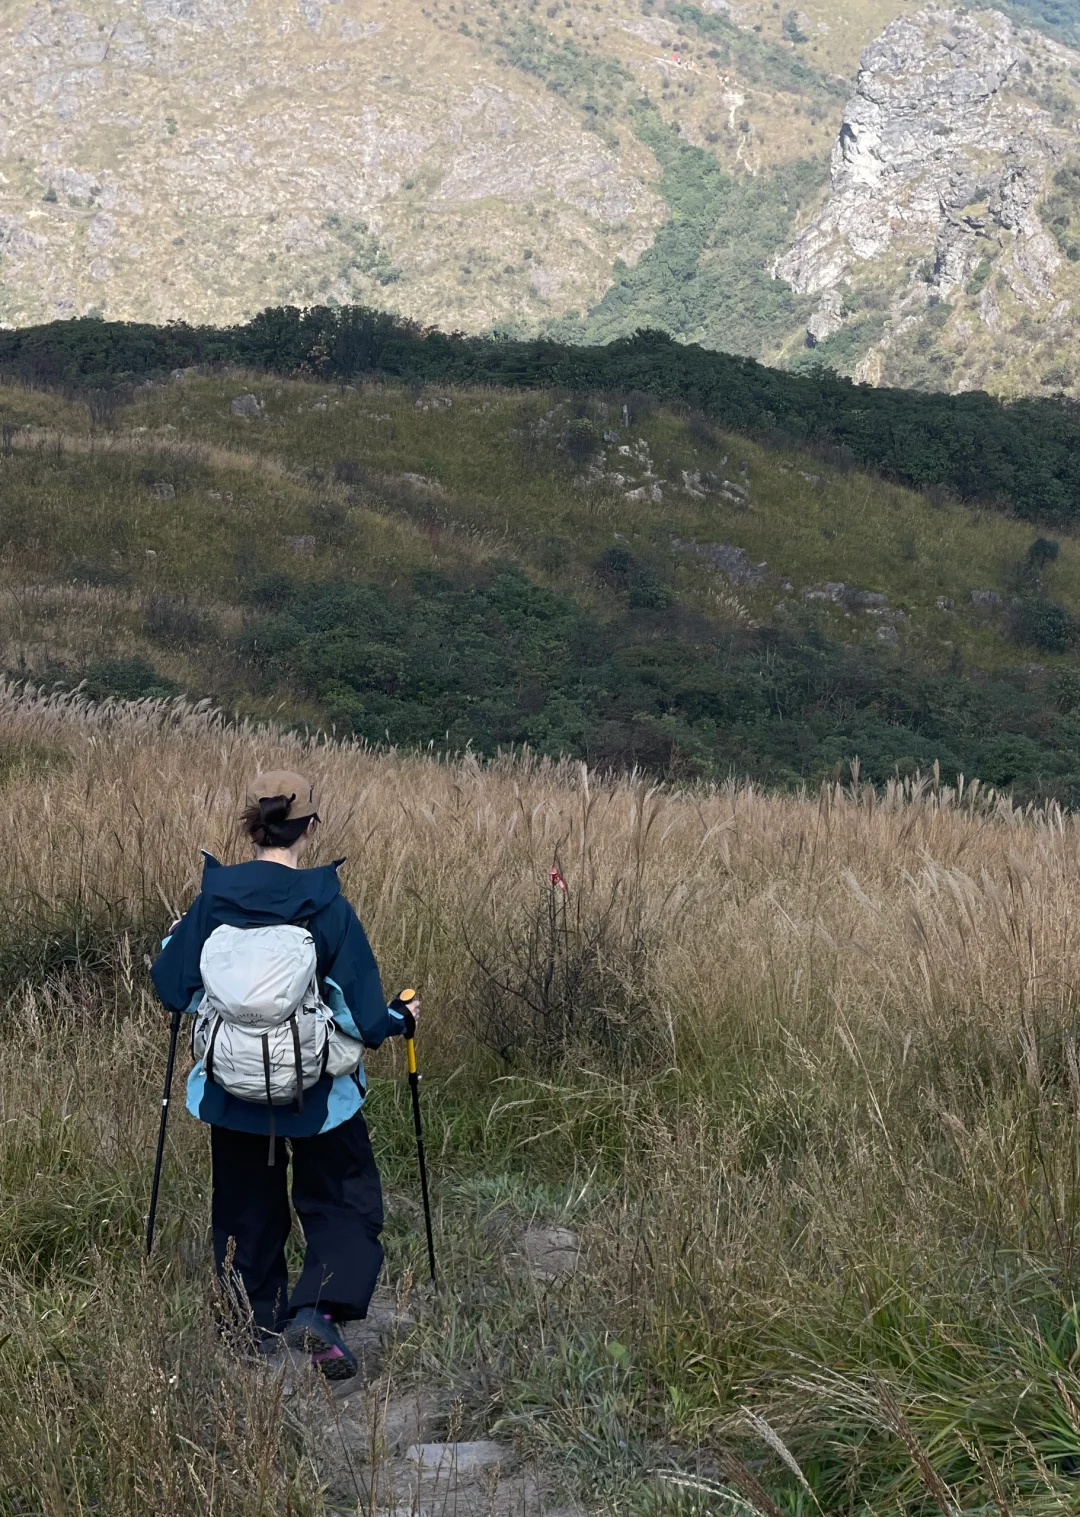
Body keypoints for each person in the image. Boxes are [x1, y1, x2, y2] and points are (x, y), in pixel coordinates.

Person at [151, 769, 418, 1382]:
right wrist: (401, 1019)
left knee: (245, 1207)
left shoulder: (213, 898)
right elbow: (364, 1015)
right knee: (343, 1198)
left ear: (253, 824)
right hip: (318, 1096)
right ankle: (319, 1312)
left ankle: (250, 1329)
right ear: (309, 828)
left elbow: (173, 987)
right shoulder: (325, 903)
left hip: (232, 1092)